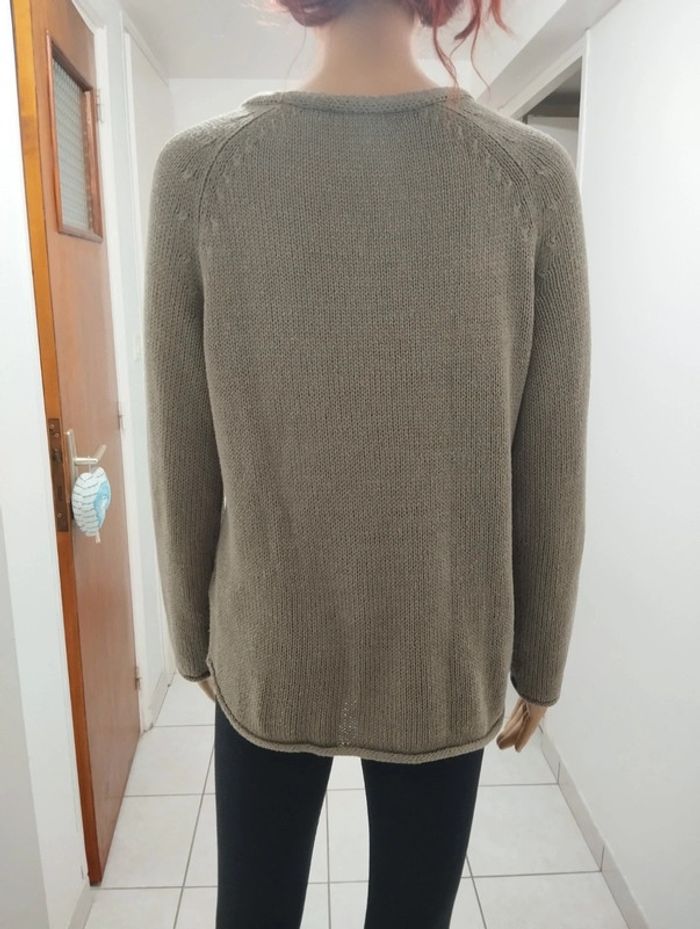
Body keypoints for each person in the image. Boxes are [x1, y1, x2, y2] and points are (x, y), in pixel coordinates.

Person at [142, 0, 591, 925]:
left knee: (253, 910)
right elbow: (551, 455)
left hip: (268, 641)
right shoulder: (530, 178)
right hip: (444, 644)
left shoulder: (200, 174)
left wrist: (191, 634)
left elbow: (181, 443)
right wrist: (540, 658)